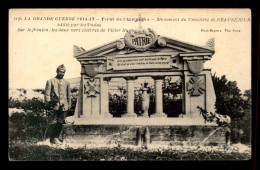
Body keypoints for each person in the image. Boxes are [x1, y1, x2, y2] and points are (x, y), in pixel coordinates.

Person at [44, 64, 71, 145]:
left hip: (64, 106)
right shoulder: (50, 81)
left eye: (63, 72)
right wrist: (48, 104)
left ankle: (56, 138)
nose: (62, 74)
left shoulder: (67, 83)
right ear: (57, 71)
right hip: (53, 106)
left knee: (60, 123)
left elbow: (68, 95)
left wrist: (69, 105)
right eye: (60, 72)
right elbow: (47, 94)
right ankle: (47, 139)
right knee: (52, 122)